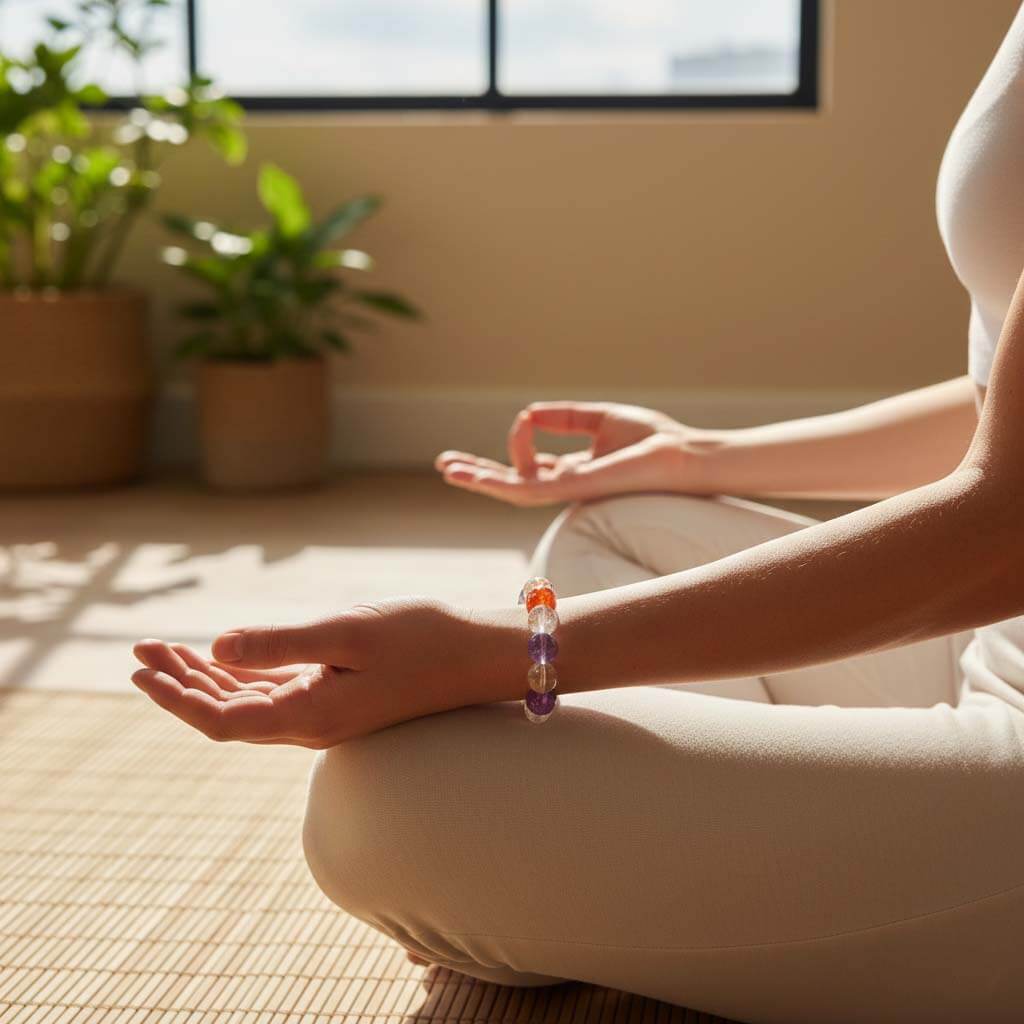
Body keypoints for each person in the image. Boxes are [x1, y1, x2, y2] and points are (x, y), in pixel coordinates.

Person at [132, 8, 1024, 1022]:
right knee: (618, 525)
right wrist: (699, 456)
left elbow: (1003, 535)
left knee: (383, 799)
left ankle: (652, 869)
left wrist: (502, 655)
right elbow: (998, 407)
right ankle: (704, 862)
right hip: (979, 652)